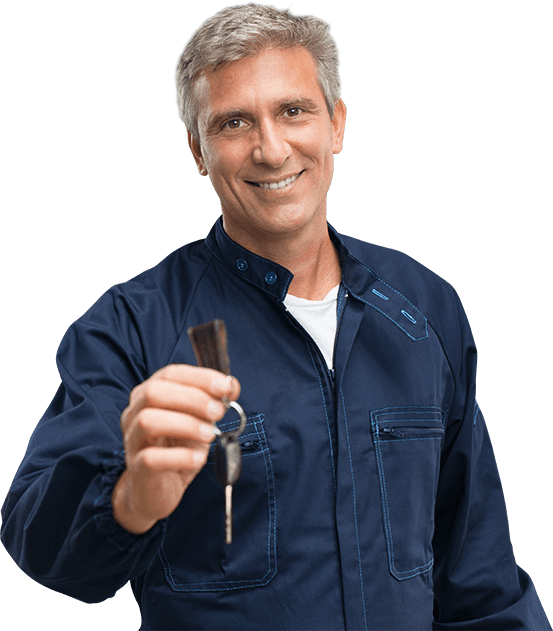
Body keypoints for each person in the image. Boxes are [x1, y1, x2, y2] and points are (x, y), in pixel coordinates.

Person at [1, 3, 551, 630]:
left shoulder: (425, 310)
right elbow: (36, 541)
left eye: (293, 111)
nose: (270, 148)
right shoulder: (132, 327)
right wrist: (130, 500)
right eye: (234, 122)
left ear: (336, 124)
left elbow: (478, 572)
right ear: (199, 151)